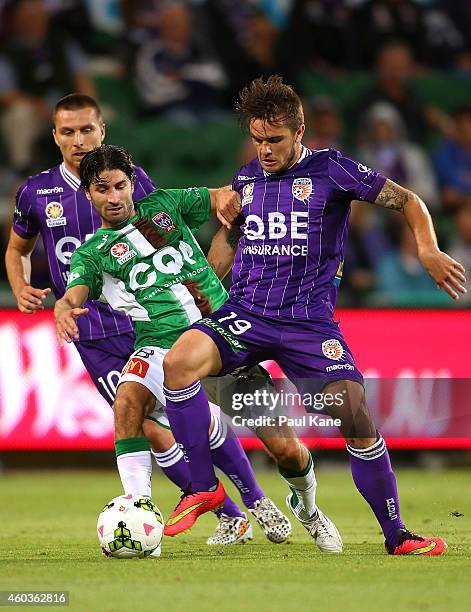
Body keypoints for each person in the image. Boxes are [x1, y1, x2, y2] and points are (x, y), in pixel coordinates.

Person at [161, 75, 467, 555]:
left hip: (308, 324)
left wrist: (427, 249)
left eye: (275, 140)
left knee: (353, 414)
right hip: (246, 314)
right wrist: (210, 271)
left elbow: (408, 201)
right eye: (258, 139)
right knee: (178, 363)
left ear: (300, 131)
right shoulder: (244, 179)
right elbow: (228, 238)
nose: (265, 150)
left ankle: (396, 535)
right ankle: (202, 487)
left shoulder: (334, 170)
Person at [4, 95, 285, 546]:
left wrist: (201, 282)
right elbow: (17, 250)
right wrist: (22, 287)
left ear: (102, 131)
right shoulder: (36, 193)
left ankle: (253, 501)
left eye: (87, 130)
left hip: (157, 320)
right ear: (54, 136)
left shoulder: (135, 185)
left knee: (204, 415)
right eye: (68, 132)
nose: (79, 140)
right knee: (141, 420)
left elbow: (166, 235)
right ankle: (215, 511)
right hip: (94, 331)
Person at [55, 144, 341, 552]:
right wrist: (65, 308)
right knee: (128, 403)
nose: (114, 197)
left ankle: (308, 508)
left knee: (286, 450)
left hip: (219, 336)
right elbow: (75, 291)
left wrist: (230, 219)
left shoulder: (166, 205)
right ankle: (139, 513)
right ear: (88, 193)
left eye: (120, 186)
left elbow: (226, 196)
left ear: (132, 184)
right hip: (158, 346)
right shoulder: (93, 253)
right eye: (102, 189)